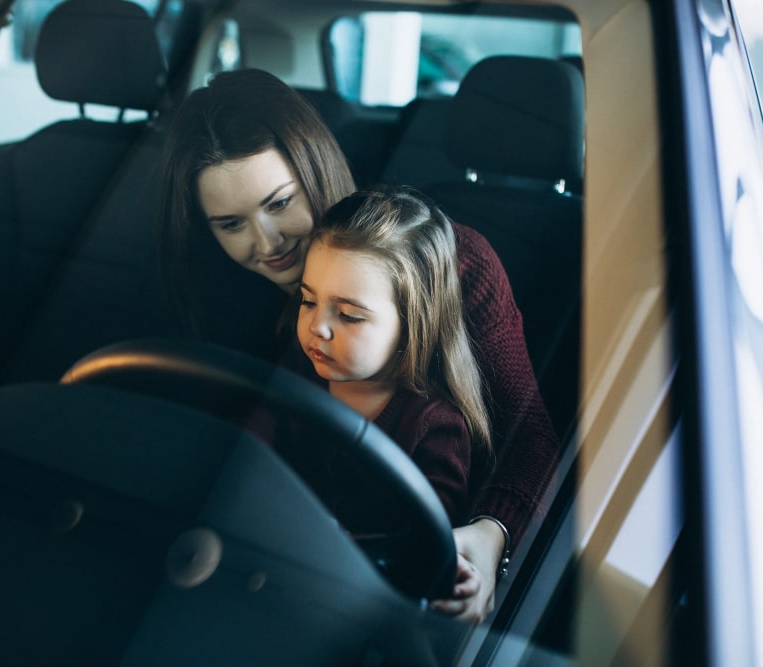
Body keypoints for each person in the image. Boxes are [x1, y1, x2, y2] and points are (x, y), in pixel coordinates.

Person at [159, 68, 559, 621]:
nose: (266, 244)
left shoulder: (446, 264)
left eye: (279, 204)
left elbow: (530, 436)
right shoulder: (225, 289)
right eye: (231, 224)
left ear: (315, 168)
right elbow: (257, 424)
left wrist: (491, 539)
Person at [293, 187, 490, 529]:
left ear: (412, 325)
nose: (317, 327)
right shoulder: (294, 377)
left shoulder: (434, 427)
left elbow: (427, 543)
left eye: (349, 315)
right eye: (308, 301)